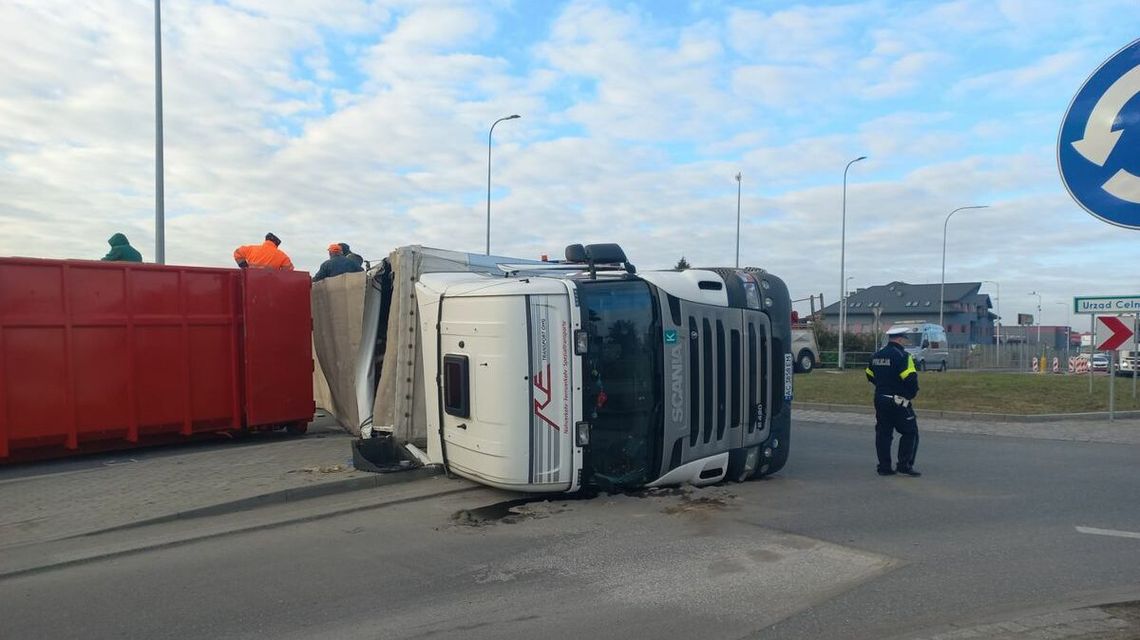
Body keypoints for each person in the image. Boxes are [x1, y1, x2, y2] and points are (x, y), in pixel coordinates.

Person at [865, 326, 921, 477]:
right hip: (899, 401)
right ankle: (904, 465)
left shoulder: (876, 355)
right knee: (911, 432)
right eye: (905, 339)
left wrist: (882, 386)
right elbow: (910, 379)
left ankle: (884, 467)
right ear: (900, 339)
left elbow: (869, 374)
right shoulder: (903, 356)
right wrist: (910, 395)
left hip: (880, 399)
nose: (905, 342)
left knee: (883, 434)